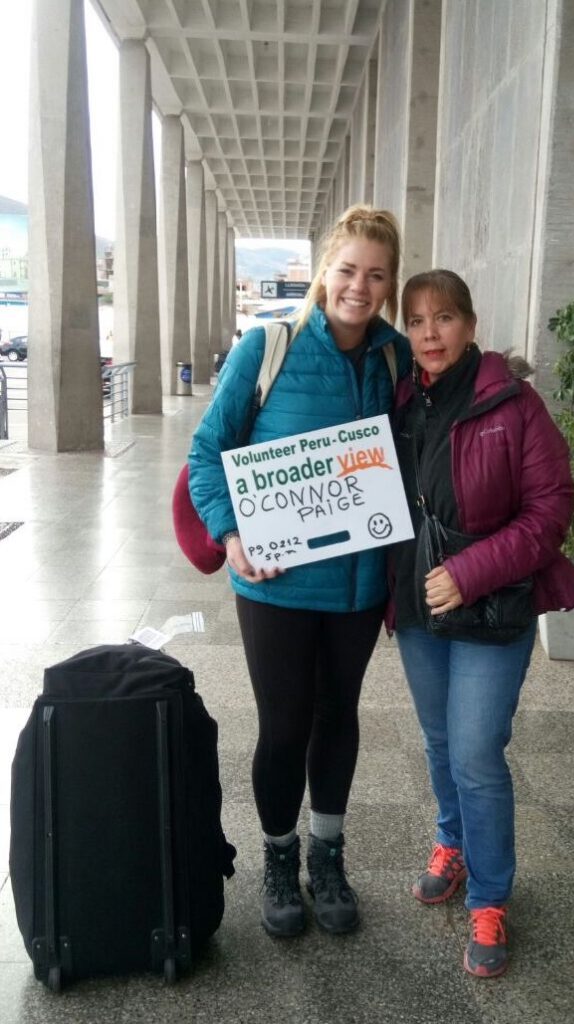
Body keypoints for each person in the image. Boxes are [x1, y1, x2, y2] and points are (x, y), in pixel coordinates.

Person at [188, 205, 410, 938]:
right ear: (325, 271)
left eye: (375, 274)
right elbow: (206, 451)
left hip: (356, 584)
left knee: (337, 719)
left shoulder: (393, 357)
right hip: (275, 580)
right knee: (284, 726)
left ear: (388, 282)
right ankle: (279, 858)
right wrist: (228, 533)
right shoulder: (269, 345)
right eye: (347, 269)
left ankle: (327, 853)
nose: (359, 286)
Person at [390, 270, 574, 978]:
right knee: (441, 742)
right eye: (416, 321)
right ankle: (452, 843)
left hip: (491, 606)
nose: (430, 333)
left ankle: (491, 895)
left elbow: (551, 510)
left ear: (470, 324)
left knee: (476, 753)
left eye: (443, 318)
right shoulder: (400, 400)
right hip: (418, 608)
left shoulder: (513, 402)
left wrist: (470, 573)